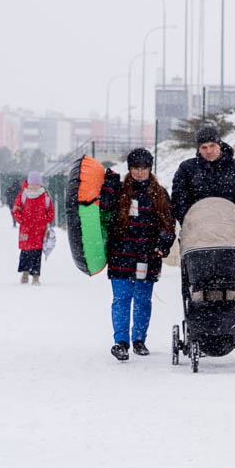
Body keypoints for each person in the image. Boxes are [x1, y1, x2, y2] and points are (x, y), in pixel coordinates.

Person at [100, 148, 175, 361]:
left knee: (143, 300)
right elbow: (104, 209)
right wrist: (109, 185)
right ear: (129, 169)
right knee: (121, 298)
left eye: (143, 168)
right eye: (135, 168)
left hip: (147, 256)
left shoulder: (159, 193)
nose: (139, 172)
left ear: (150, 169)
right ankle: (121, 341)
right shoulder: (120, 191)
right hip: (121, 253)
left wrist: (163, 242)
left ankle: (139, 339)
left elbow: (168, 223)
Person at [171, 125, 235, 225]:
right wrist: (190, 221)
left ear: (220, 145)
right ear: (199, 149)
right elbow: (178, 200)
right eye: (204, 147)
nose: (209, 151)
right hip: (196, 231)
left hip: (230, 230)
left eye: (212, 146)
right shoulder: (187, 169)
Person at [12, 171, 55, 285]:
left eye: (37, 183)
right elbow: (16, 209)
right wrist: (21, 220)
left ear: (40, 184)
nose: (35, 186)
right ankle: (25, 273)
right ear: (29, 183)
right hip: (26, 229)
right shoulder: (23, 195)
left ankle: (36, 276)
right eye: (33, 183)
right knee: (25, 252)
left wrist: (46, 220)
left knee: (37, 254)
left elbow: (50, 211)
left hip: (40, 231)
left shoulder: (45, 196)